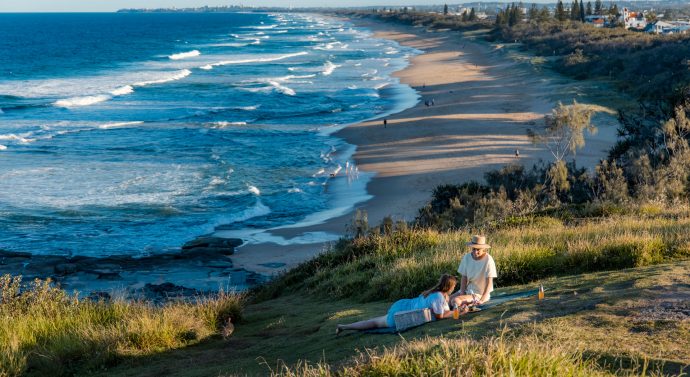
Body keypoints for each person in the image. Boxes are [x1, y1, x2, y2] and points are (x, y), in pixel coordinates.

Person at [336, 274, 466, 334]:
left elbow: (443, 309)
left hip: (402, 305)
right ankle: (344, 327)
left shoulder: (434, 292)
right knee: (374, 324)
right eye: (454, 286)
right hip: (402, 315)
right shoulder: (438, 296)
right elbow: (440, 316)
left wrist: (456, 308)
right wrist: (458, 313)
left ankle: (343, 326)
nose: (454, 288)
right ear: (449, 286)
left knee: (374, 322)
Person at [451, 235, 497, 307]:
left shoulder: (488, 260)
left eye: (478, 250)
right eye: (474, 249)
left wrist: (481, 300)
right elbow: (464, 278)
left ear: (483, 249)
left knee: (456, 301)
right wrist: (462, 294)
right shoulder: (467, 257)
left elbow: (489, 283)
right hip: (467, 290)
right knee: (446, 300)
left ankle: (459, 312)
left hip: (479, 294)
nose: (475, 252)